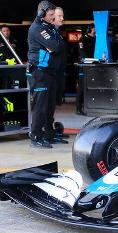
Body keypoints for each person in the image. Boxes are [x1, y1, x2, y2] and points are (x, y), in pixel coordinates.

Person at [27, 0, 65, 148]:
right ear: (42, 14)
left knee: (49, 107)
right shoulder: (37, 28)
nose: (53, 17)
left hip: (49, 73)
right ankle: (36, 136)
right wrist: (53, 47)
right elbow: (56, 46)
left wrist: (55, 46)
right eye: (50, 15)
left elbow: (60, 45)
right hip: (39, 73)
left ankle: (48, 135)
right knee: (39, 107)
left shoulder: (48, 27)